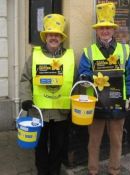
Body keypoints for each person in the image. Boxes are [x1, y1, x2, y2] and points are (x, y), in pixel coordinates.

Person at [78, 2, 130, 175]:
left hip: (118, 105)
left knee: (116, 142)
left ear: (113, 30)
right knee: (93, 142)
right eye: (101, 28)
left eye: (108, 28)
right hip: (96, 105)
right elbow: (83, 74)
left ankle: (114, 170)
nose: (105, 31)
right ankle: (93, 171)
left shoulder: (124, 51)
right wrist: (88, 78)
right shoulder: (88, 52)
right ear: (97, 31)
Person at [20, 14, 75, 175]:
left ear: (61, 38)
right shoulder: (35, 56)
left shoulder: (69, 57)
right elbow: (25, 79)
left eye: (57, 35)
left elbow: (76, 80)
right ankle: (42, 172)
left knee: (58, 145)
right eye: (50, 34)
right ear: (46, 37)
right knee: (40, 145)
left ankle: (55, 171)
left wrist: (79, 102)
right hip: (39, 112)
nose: (54, 38)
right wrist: (26, 99)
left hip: (61, 112)